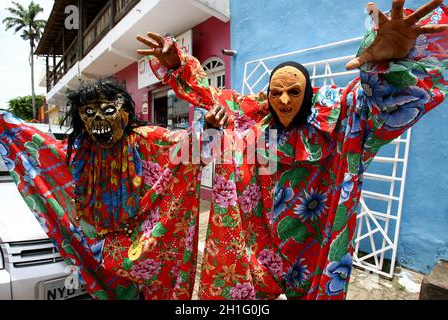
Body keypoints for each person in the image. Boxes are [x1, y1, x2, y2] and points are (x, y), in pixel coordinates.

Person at [136, 0, 448, 299]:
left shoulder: (339, 119)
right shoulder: (254, 116)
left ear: (309, 93)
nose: (284, 101)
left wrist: (390, 63)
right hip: (259, 252)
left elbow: (383, 107)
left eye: (294, 92)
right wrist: (177, 63)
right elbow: (212, 96)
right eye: (277, 92)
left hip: (312, 252)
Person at [0, 77, 225, 299]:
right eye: (88, 113)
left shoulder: (148, 140)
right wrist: (2, 123)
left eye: (108, 110)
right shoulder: (80, 151)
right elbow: (41, 149)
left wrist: (209, 128)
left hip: (148, 251)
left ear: (125, 111)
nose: (98, 119)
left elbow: (192, 150)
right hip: (103, 254)